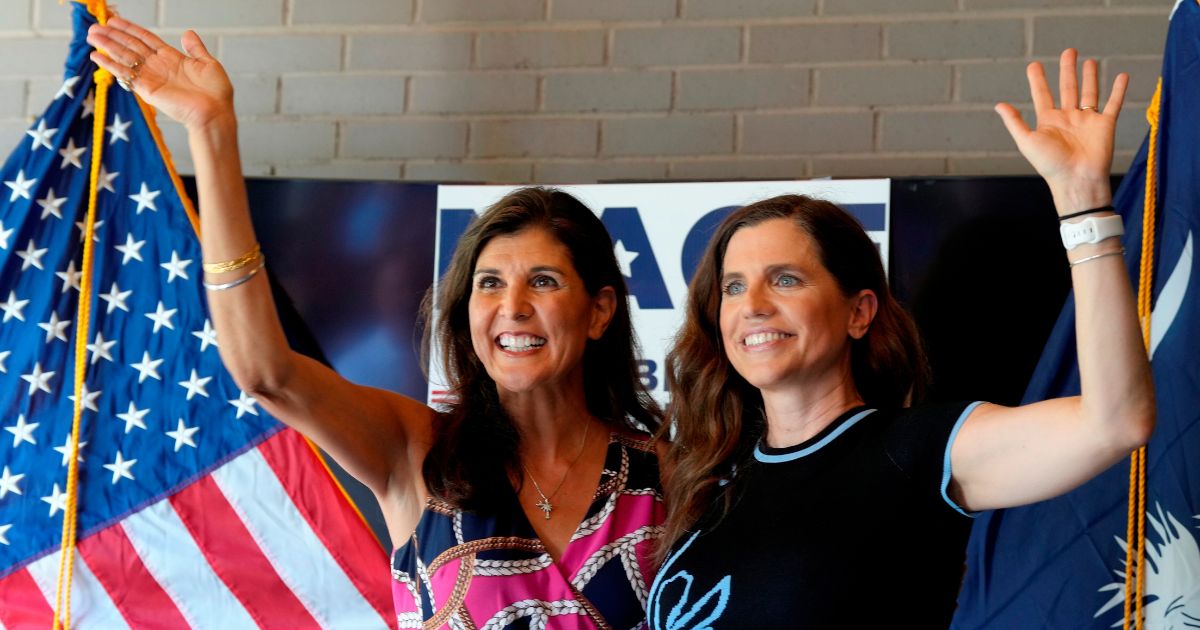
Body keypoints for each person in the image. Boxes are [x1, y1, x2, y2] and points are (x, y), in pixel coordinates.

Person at [86, 18, 666, 629]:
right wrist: (211, 131)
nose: (512, 306)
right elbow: (267, 374)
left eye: (543, 282)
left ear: (600, 310)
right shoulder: (417, 449)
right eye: (489, 283)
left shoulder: (671, 476)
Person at [647, 49, 1155, 628]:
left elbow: (1115, 422)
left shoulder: (917, 450)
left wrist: (1083, 200)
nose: (753, 306)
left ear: (859, 312)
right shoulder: (716, 478)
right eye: (733, 287)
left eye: (785, 279)